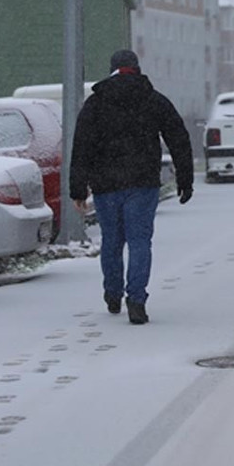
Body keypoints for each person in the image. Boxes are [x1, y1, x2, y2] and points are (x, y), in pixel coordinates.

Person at [70, 49, 194, 325]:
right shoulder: (153, 99)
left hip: (105, 184)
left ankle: (113, 293)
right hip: (142, 182)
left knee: (112, 241)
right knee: (139, 242)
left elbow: (82, 146)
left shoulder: (97, 103)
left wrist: (78, 188)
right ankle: (136, 300)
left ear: (112, 69)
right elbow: (178, 136)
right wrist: (185, 178)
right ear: (136, 68)